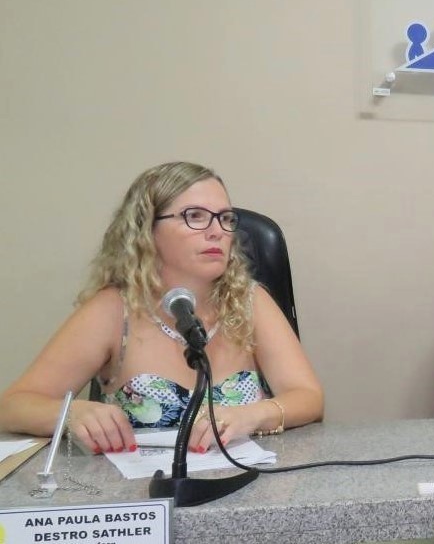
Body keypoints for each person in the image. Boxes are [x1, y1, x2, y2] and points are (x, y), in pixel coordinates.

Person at [0, 162, 324, 454]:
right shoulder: (114, 310)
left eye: (225, 219)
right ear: (147, 230)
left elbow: (308, 397)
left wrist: (254, 415)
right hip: (143, 494)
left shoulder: (249, 301)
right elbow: (12, 406)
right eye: (194, 216)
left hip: (246, 486)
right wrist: (70, 413)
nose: (217, 231)